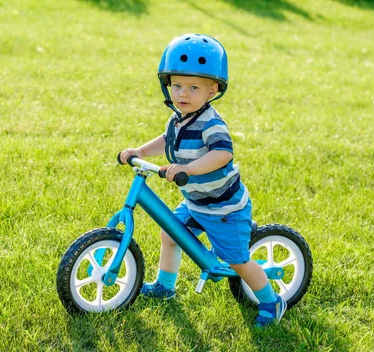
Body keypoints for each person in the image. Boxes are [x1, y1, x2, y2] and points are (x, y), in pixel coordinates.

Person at [119, 34, 286, 327]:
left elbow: (222, 154)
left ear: (212, 90)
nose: (183, 93)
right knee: (170, 234)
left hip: (224, 209)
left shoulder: (211, 123)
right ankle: (165, 287)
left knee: (236, 260)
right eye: (177, 85)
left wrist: (190, 169)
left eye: (194, 87)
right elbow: (166, 140)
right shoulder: (178, 118)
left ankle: (272, 301)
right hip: (197, 202)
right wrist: (140, 152)